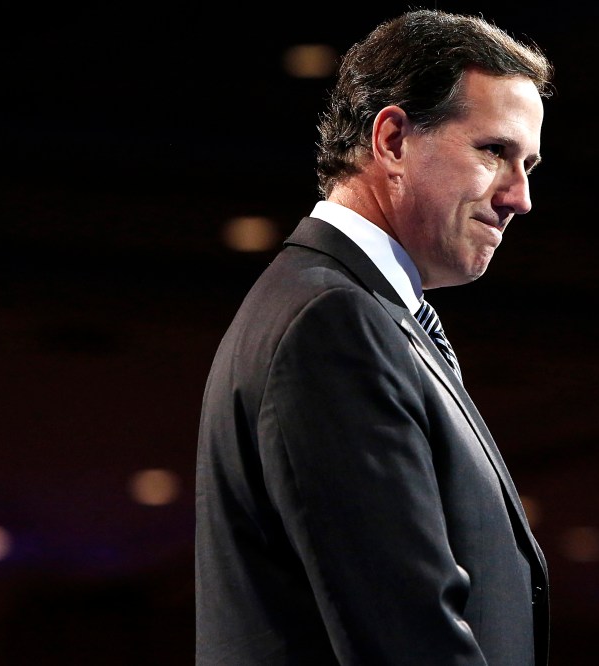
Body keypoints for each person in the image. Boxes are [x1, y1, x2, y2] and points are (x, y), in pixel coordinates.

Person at [195, 9, 553, 665]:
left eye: (527, 164)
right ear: (391, 140)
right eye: (493, 152)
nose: (519, 197)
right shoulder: (333, 322)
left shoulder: (349, 310)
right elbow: (405, 637)